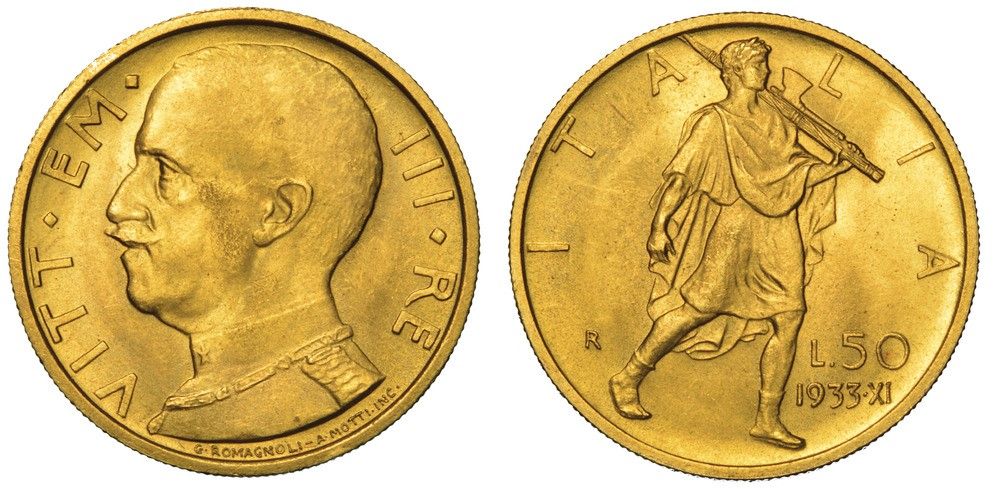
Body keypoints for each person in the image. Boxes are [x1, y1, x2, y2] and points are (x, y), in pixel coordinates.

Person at [105, 44, 385, 441]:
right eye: (140, 165)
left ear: (276, 213)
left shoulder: (324, 397)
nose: (119, 205)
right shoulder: (209, 397)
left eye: (166, 172)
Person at [608, 37, 854, 449]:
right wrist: (659, 226)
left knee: (790, 317)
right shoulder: (715, 122)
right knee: (697, 310)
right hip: (736, 229)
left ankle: (767, 418)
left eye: (765, 64)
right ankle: (629, 375)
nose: (767, 71)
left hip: (779, 231)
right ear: (736, 71)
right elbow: (682, 178)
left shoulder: (779, 120)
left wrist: (836, 166)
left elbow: (794, 174)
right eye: (759, 65)